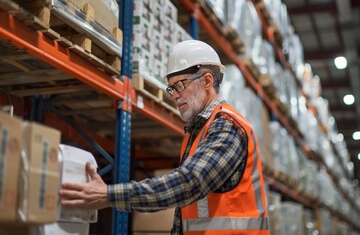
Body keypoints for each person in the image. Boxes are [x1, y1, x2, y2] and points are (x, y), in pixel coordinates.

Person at [60, 40, 269, 235]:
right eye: (171, 88)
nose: (175, 95)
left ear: (207, 81)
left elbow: (189, 183)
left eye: (180, 85)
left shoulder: (227, 126)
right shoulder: (196, 133)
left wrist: (109, 195)